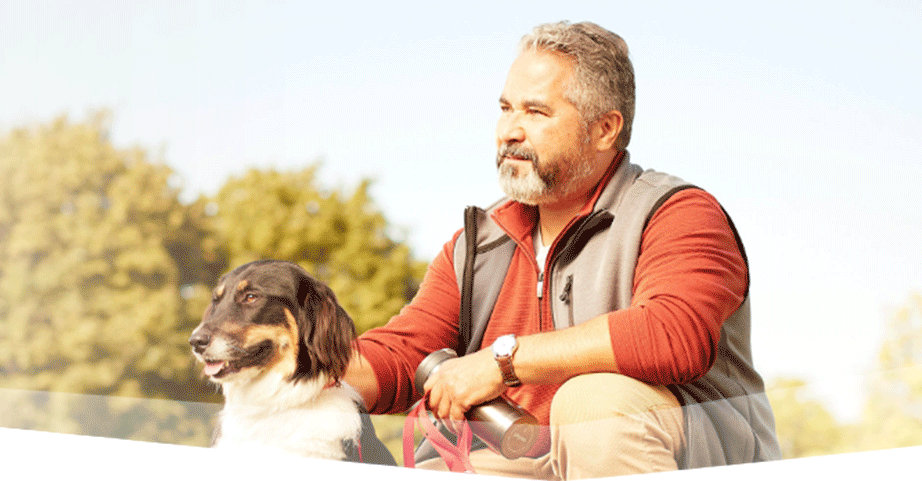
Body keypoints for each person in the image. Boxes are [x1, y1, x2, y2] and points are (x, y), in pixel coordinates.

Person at [344, 20, 780, 479]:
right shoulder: (476, 245)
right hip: (515, 460)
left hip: (679, 457)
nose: (509, 130)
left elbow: (674, 334)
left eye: (536, 112)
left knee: (593, 404)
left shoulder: (678, 213)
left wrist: (502, 363)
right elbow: (404, 353)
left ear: (605, 129)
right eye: (506, 108)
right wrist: (300, 375)